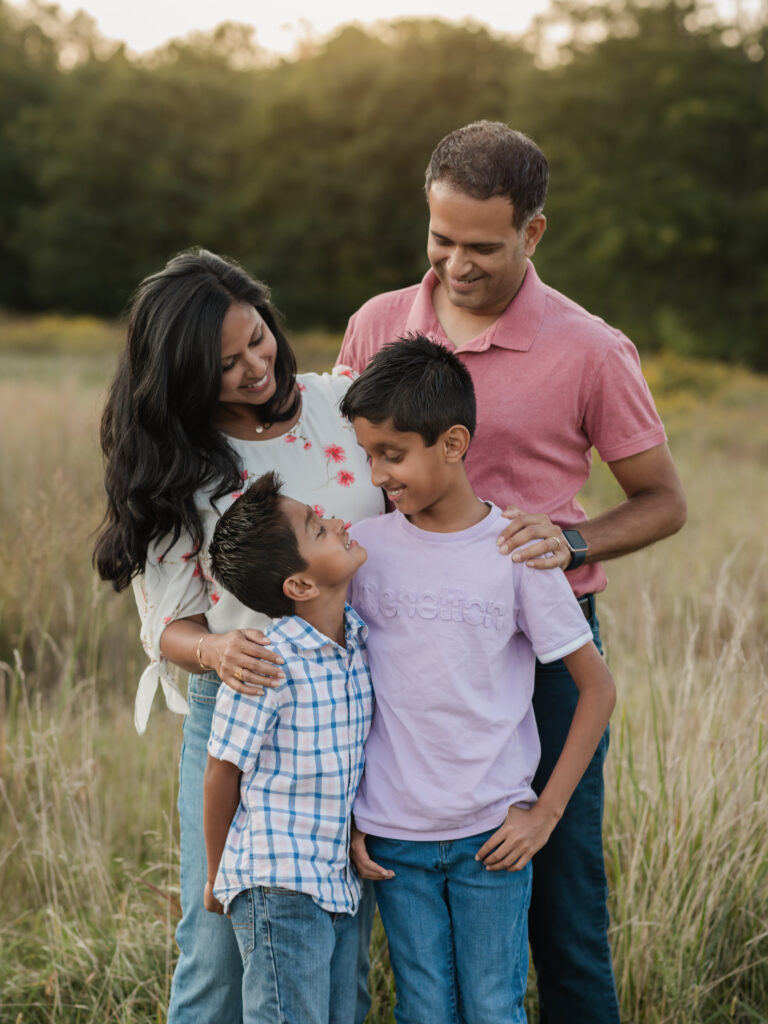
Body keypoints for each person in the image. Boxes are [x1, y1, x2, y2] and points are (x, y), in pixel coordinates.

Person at [337, 123, 687, 1021]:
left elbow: (662, 501)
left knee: (564, 890)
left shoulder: (591, 348)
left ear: (532, 233)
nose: (455, 264)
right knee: (407, 881)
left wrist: (571, 543)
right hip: (406, 640)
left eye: (481, 246)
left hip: (541, 646)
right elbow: (340, 473)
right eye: (440, 238)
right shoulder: (378, 325)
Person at [94, 248, 384, 1024]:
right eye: (226, 364)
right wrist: (216, 651)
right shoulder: (181, 462)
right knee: (219, 948)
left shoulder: (344, 403)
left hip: (351, 705)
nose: (255, 366)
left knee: (336, 946)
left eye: (257, 337)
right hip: (245, 706)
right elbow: (167, 625)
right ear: (186, 375)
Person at [336, 335, 616, 1023]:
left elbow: (597, 688)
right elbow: (337, 689)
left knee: (494, 1007)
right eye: (368, 455)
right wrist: (346, 816)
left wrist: (544, 814)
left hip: (493, 834)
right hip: (393, 835)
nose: (377, 475)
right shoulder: (361, 554)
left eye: (392, 455)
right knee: (423, 1008)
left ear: (453, 443)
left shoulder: (515, 552)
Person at [202, 470, 373, 1024]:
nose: (337, 522)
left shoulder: (356, 643)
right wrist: (214, 874)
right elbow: (221, 770)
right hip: (278, 882)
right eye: (317, 528)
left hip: (333, 881)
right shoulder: (267, 660)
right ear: (298, 586)